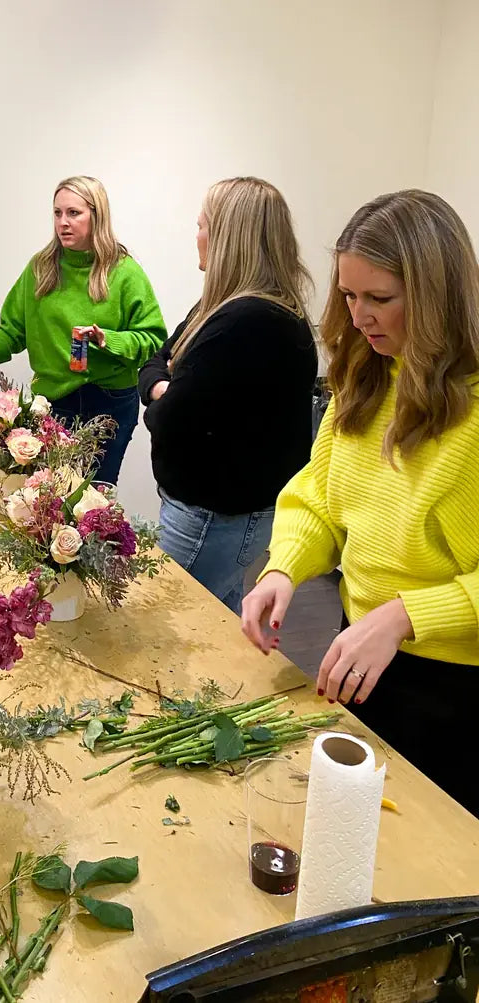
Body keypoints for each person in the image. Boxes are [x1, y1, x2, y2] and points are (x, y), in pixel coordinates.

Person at [241, 190, 479, 818]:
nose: (359, 317)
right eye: (349, 296)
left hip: (454, 687)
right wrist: (284, 566)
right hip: (363, 653)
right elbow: (318, 497)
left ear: (437, 298)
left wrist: (405, 616)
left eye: (380, 299)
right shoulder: (367, 377)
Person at [138, 177, 318, 614]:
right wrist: (165, 384)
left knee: (170, 627)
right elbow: (152, 364)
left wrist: (164, 388)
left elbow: (166, 418)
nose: (195, 236)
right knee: (216, 617)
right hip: (217, 513)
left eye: (202, 225)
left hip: (213, 517)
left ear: (226, 238)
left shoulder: (247, 320)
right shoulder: (223, 308)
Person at [0, 175, 166, 485]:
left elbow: (153, 340)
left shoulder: (125, 273)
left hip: (109, 402)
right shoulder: (41, 268)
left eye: (74, 213)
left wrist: (110, 340)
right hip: (52, 403)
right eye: (57, 213)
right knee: (48, 497)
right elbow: (12, 331)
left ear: (97, 215)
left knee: (93, 499)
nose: (63, 222)